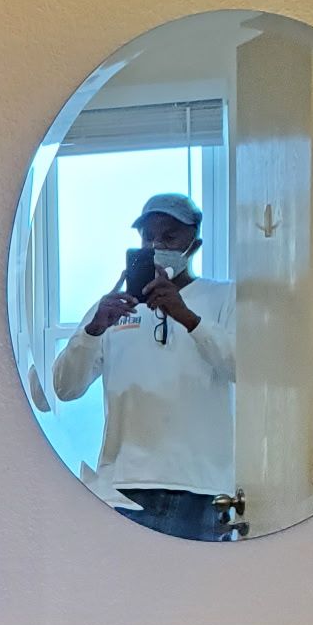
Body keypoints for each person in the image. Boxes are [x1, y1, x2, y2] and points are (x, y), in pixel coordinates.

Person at [51, 192, 236, 542]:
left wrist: (188, 317)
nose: (156, 244)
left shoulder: (223, 297)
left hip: (200, 486)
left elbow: (243, 370)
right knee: (119, 595)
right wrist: (93, 330)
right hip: (120, 487)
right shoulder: (111, 307)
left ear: (193, 244)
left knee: (199, 595)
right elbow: (65, 387)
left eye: (169, 236)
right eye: (148, 236)